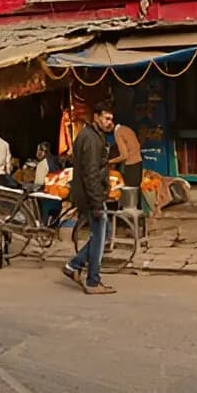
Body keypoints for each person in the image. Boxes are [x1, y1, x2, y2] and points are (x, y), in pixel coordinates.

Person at [63, 104, 116, 295]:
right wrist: (96, 203)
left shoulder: (90, 135)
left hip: (88, 193)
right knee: (100, 237)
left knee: (104, 233)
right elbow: (91, 174)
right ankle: (93, 280)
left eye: (111, 119)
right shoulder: (91, 140)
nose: (109, 123)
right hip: (90, 195)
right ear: (96, 117)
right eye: (106, 118)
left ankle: (73, 266)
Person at [110, 121, 143, 189]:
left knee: (128, 188)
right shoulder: (126, 129)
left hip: (131, 166)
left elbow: (124, 155)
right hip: (138, 164)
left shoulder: (118, 132)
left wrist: (109, 161)